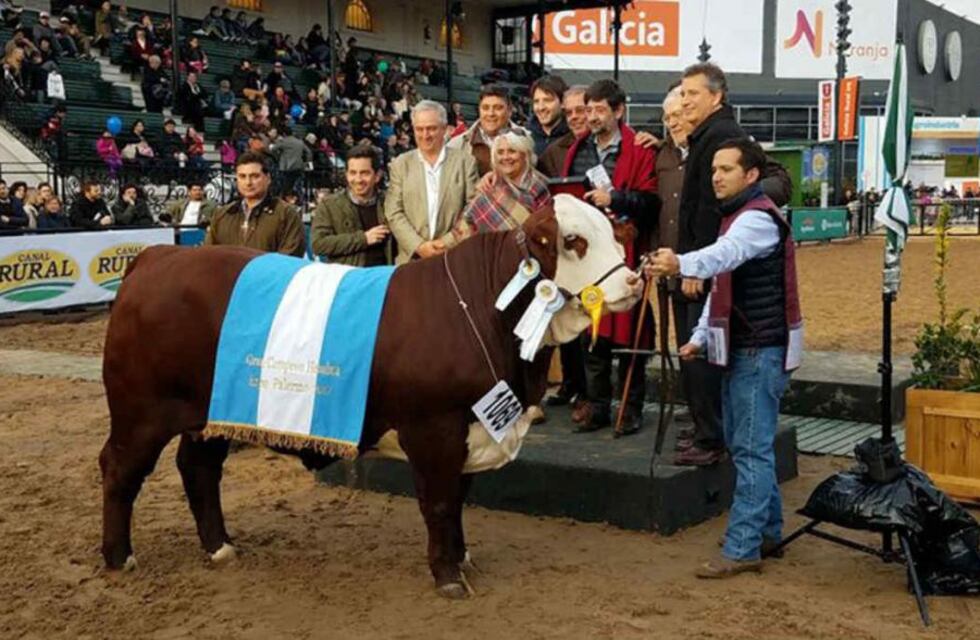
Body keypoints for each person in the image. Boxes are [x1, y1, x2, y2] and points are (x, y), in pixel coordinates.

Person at [646, 137, 803, 578]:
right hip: (749, 348)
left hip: (757, 350)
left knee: (750, 452)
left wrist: (679, 263)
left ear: (750, 175)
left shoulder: (754, 220)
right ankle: (764, 533)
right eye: (715, 169)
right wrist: (698, 336)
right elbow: (722, 287)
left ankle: (743, 547)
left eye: (726, 169)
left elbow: (721, 260)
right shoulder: (742, 216)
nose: (716, 176)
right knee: (749, 448)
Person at [563, 79, 659, 435]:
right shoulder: (579, 149)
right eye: (588, 109)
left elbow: (651, 202)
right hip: (588, 256)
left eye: (599, 109)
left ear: (618, 111)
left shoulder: (640, 149)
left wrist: (616, 199)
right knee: (594, 330)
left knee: (631, 331)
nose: (591, 116)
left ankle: (630, 408)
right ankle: (598, 406)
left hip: (627, 250)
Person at [672, 62, 750, 465]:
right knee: (693, 353)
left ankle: (711, 439)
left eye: (692, 94)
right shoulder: (705, 136)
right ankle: (706, 430)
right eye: (682, 93)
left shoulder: (722, 136)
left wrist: (695, 268)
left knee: (698, 352)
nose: (684, 101)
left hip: (700, 268)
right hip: (694, 262)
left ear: (715, 97)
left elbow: (710, 211)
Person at [385, 100, 478, 264]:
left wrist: (445, 243)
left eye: (431, 128)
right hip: (411, 260)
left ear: (444, 129)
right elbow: (393, 212)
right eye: (419, 129)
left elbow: (473, 211)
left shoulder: (465, 162)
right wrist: (419, 246)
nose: (425, 135)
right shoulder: (401, 164)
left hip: (454, 258)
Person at [447, 131, 551, 247]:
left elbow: (544, 231)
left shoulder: (540, 185)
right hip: (487, 254)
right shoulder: (489, 184)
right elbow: (467, 222)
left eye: (512, 151)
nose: (506, 157)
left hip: (528, 256)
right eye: (500, 152)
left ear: (525, 154)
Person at [204, 151, 306, 256]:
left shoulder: (286, 214)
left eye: (255, 176)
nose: (248, 182)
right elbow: (209, 257)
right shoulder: (222, 215)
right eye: (242, 176)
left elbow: (290, 258)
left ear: (268, 178)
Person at [311, 142, 391, 266]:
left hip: (383, 278)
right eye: (353, 173)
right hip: (348, 280)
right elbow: (318, 244)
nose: (358, 180)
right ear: (347, 174)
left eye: (365, 173)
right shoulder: (329, 205)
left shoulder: (390, 203)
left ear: (377, 176)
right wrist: (363, 239)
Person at [447, 84, 531, 176]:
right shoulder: (457, 145)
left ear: (510, 111)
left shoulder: (527, 140)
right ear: (479, 110)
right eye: (485, 108)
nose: (491, 113)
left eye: (498, 108)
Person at [528, 75, 569, 156]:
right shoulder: (526, 136)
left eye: (547, 100)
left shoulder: (574, 137)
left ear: (563, 102)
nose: (541, 107)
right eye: (536, 101)